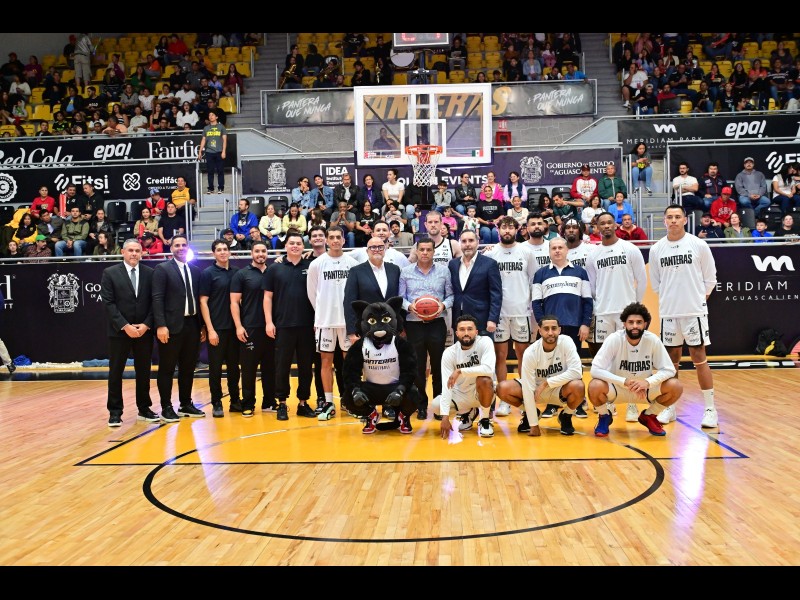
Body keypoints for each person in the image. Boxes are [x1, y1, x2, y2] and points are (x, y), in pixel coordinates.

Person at [649, 205, 718, 429]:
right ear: (664, 221)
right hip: (669, 313)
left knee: (699, 357)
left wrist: (698, 300)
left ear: (685, 220)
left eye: (677, 217)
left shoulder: (698, 244)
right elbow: (656, 284)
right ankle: (669, 406)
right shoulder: (657, 249)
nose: (673, 220)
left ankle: (710, 409)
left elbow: (710, 278)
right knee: (671, 362)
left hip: (694, 312)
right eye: (669, 217)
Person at [589, 302, 682, 437]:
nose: (635, 326)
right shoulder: (614, 339)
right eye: (631, 322)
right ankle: (604, 416)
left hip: (643, 390)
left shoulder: (652, 340)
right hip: (617, 389)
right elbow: (595, 369)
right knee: (594, 386)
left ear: (645, 324)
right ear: (624, 324)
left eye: (639, 322)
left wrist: (648, 382)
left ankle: (649, 416)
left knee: (676, 386)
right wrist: (624, 381)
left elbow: (669, 370)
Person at [342, 235, 403, 418]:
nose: (376, 250)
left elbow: (399, 300)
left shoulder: (394, 269)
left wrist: (401, 327)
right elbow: (349, 302)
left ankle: (389, 405)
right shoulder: (356, 271)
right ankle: (367, 406)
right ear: (367, 250)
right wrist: (351, 331)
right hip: (367, 329)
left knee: (391, 367)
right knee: (368, 368)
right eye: (372, 247)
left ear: (385, 248)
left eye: (380, 247)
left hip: (390, 328)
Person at [532, 236, 593, 419]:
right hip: (550, 329)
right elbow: (536, 303)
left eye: (560, 247)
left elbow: (587, 300)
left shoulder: (580, 272)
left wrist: (585, 323)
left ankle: (578, 402)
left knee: (574, 364)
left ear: (567, 250)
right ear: (549, 251)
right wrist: (543, 326)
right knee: (552, 365)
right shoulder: (541, 273)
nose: (557, 251)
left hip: (574, 325)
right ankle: (552, 403)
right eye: (554, 248)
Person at [99, 238, 157, 427]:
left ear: (142, 253)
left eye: (137, 251)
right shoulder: (110, 273)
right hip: (119, 332)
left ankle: (144, 408)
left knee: (144, 372)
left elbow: (155, 302)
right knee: (116, 372)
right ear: (123, 252)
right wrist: (125, 326)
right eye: (130, 250)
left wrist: (146, 325)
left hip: (143, 332)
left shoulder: (150, 273)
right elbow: (108, 303)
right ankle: (115, 412)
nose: (134, 254)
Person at [496, 315, 585, 437]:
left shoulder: (566, 342)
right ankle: (530, 414)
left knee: (578, 386)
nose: (550, 333)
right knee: (502, 388)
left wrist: (547, 383)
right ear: (540, 331)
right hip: (536, 391)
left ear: (559, 330)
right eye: (546, 329)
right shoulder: (531, 352)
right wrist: (534, 425)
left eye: (554, 328)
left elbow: (576, 372)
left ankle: (566, 415)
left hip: (559, 389)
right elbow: (527, 388)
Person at [484, 217, 537, 416]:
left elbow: (533, 281)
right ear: (498, 230)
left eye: (510, 227)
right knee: (500, 356)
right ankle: (504, 400)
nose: (507, 231)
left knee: (524, 356)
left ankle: (524, 396)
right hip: (499, 313)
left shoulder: (526, 252)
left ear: (517, 229)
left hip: (521, 311)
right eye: (503, 227)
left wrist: (532, 308)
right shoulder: (490, 253)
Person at [264, 231, 319, 418]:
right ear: (286, 246)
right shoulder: (274, 268)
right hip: (283, 325)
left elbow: (318, 296)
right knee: (282, 366)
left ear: (303, 247)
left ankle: (303, 403)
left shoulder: (311, 266)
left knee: (306, 367)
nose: (295, 246)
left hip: (307, 326)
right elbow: (267, 297)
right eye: (292, 243)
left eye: (298, 243)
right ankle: (281, 403)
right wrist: (269, 322)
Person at [152, 234, 206, 423]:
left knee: (188, 368)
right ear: (171, 248)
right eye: (177, 245)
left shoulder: (195, 270)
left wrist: (202, 326)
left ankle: (185, 404)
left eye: (184, 245)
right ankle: (166, 406)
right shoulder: (162, 269)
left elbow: (199, 300)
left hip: (192, 325)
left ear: (188, 248)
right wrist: (161, 325)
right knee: (167, 368)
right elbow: (157, 298)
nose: (181, 248)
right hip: (170, 326)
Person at [306, 226, 359, 417]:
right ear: (327, 240)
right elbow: (312, 294)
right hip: (326, 321)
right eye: (332, 237)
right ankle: (329, 402)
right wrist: (321, 314)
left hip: (347, 322)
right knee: (325, 362)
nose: (335, 240)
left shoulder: (353, 264)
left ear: (344, 240)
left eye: (339, 237)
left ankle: (350, 401)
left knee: (350, 364)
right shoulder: (316, 264)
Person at [399, 237, 454, 420]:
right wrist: (409, 306)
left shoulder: (444, 271)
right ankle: (421, 405)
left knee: (439, 366)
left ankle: (439, 405)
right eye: (421, 249)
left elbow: (451, 296)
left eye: (428, 250)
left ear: (433, 252)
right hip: (414, 324)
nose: (425, 253)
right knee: (418, 367)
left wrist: (443, 305)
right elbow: (401, 297)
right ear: (416, 250)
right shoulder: (406, 272)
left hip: (437, 324)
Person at [230, 241, 280, 417]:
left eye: (263, 251)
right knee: (248, 369)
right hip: (250, 328)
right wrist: (238, 326)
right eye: (257, 251)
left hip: (272, 328)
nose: (260, 254)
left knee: (270, 368)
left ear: (267, 253)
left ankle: (269, 402)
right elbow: (234, 302)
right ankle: (248, 403)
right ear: (251, 253)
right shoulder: (241, 274)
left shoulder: (273, 272)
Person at [436, 315, 497, 439]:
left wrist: (460, 371)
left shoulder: (485, 342)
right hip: (461, 394)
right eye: (462, 330)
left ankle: (485, 419)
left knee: (484, 379)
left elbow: (488, 370)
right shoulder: (449, 353)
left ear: (476, 332)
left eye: (470, 329)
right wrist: (445, 417)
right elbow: (447, 385)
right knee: (436, 406)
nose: (466, 333)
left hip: (481, 392)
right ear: (456, 333)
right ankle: (467, 413)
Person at [199, 239, 241, 418]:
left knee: (234, 368)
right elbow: (203, 302)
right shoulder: (208, 273)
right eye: (219, 250)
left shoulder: (237, 272)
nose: (223, 252)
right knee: (215, 368)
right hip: (217, 328)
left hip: (234, 328)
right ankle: (216, 402)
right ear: (214, 253)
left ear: (229, 251)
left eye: (225, 249)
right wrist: (210, 329)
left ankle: (235, 400)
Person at [198, 109, 227, 194]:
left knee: (220, 170)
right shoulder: (206, 128)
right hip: (209, 152)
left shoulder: (221, 127)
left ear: (216, 117)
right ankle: (210, 188)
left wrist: (224, 151)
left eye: (212, 115)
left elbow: (224, 140)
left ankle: (221, 188)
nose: (210, 116)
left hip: (219, 151)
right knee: (210, 171)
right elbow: (203, 139)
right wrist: (200, 151)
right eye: (209, 115)